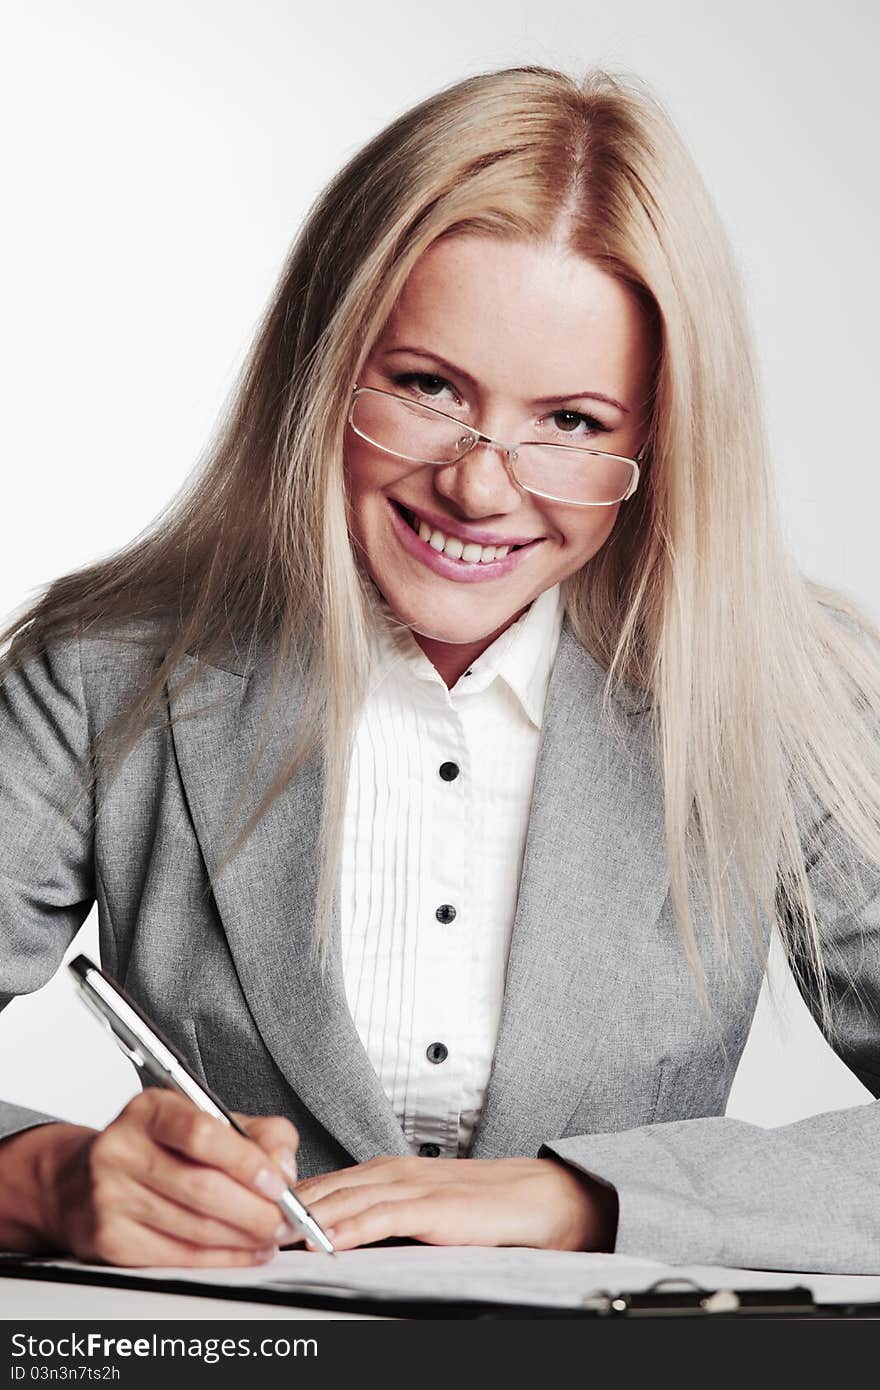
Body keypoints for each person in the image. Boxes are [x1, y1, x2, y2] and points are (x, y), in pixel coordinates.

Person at [1, 62, 879, 1274]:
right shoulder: (104, 670)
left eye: (571, 421)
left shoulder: (785, 689)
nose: (477, 484)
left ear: (659, 440)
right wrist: (39, 1178)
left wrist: (588, 1199)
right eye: (425, 386)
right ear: (323, 369)